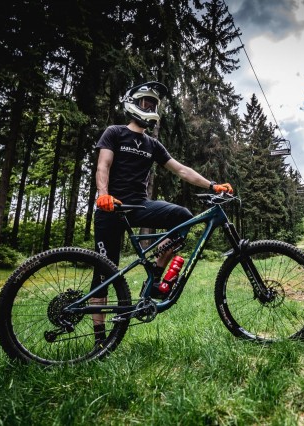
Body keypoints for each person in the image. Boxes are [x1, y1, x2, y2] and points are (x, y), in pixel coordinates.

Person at [91, 81, 232, 343]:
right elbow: (103, 165)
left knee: (183, 217)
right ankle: (100, 340)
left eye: (153, 105)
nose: (149, 108)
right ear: (133, 104)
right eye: (145, 103)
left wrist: (213, 185)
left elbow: (181, 170)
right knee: (104, 275)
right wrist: (103, 195)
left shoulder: (152, 144)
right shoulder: (114, 132)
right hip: (111, 207)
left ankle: (155, 276)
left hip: (138, 206)